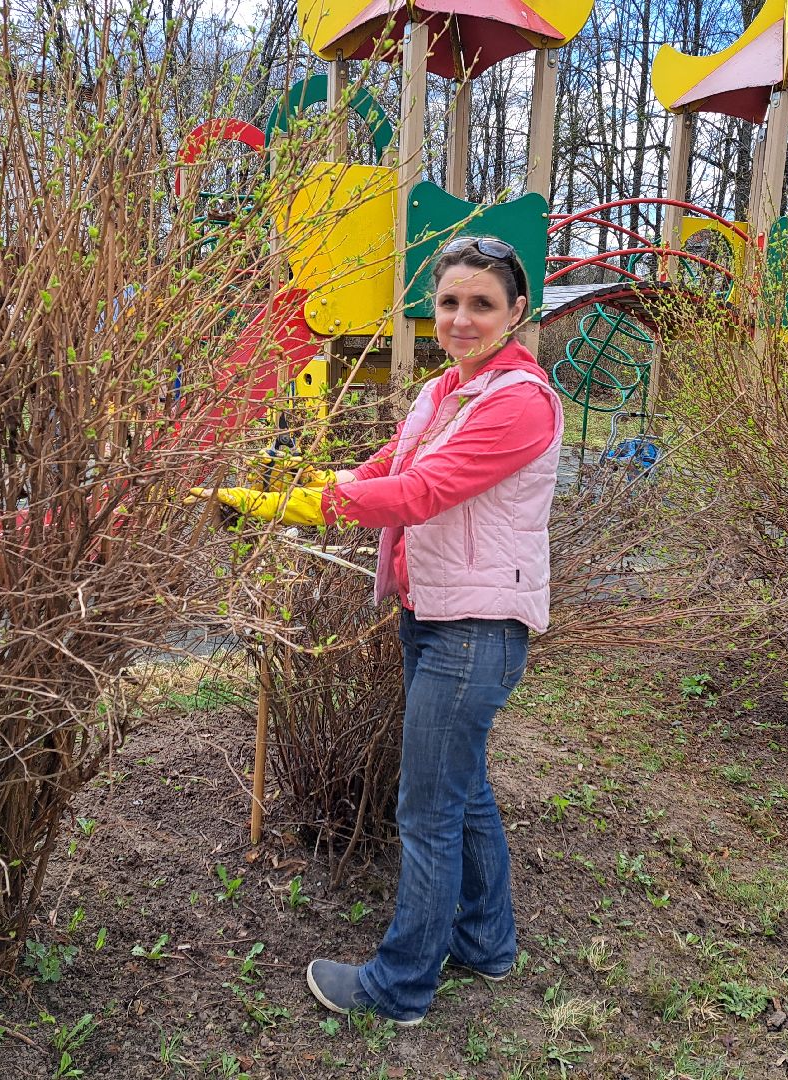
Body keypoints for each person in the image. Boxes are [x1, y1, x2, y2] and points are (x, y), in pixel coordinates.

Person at [195, 236, 564, 1027]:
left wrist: (289, 507)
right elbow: (379, 471)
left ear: (516, 313)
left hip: (476, 631)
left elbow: (419, 492)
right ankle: (486, 942)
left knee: (427, 811)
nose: (461, 319)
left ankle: (400, 987)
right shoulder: (442, 393)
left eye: (482, 305)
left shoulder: (519, 402)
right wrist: (290, 484)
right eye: (450, 302)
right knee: (463, 793)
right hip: (431, 614)